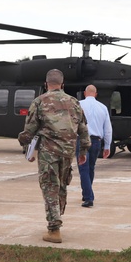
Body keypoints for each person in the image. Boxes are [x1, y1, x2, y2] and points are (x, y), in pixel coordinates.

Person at [18, 69, 90, 243]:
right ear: (62, 85)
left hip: (48, 152)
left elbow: (29, 129)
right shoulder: (74, 102)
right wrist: (83, 151)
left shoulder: (39, 101)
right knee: (62, 185)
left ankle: (54, 229)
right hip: (68, 152)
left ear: (46, 84)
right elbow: (83, 129)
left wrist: (25, 144)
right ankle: (58, 215)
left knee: (50, 186)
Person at [76, 85, 112, 208]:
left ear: (85, 93)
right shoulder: (103, 108)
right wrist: (107, 146)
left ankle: (88, 197)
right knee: (91, 168)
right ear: (96, 94)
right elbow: (108, 129)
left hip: (82, 140)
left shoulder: (78, 105)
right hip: (96, 141)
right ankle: (87, 192)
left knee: (83, 169)